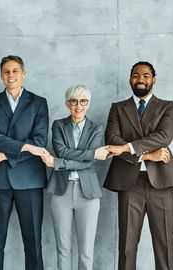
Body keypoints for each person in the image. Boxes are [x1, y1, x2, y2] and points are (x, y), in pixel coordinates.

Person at [104, 61, 173, 270]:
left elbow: (164, 136)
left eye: (146, 75)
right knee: (127, 247)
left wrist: (128, 147)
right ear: (130, 79)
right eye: (136, 75)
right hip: (129, 183)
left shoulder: (167, 106)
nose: (141, 79)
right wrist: (149, 156)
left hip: (161, 182)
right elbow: (112, 140)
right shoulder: (118, 108)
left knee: (164, 244)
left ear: (153, 79)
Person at [0, 55, 49, 270]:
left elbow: (39, 141)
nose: (11, 75)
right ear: (1, 76)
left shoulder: (38, 103)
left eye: (15, 71)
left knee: (33, 242)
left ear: (23, 73)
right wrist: (25, 146)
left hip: (29, 180)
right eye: (6, 71)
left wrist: (2, 155)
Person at [36, 85, 109, 270]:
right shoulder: (59, 125)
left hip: (88, 195)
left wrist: (58, 163)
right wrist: (91, 153)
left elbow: (87, 163)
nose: (78, 106)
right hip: (61, 192)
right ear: (67, 103)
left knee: (86, 252)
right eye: (74, 101)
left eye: (83, 101)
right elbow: (61, 151)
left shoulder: (96, 128)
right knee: (63, 249)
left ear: (88, 104)